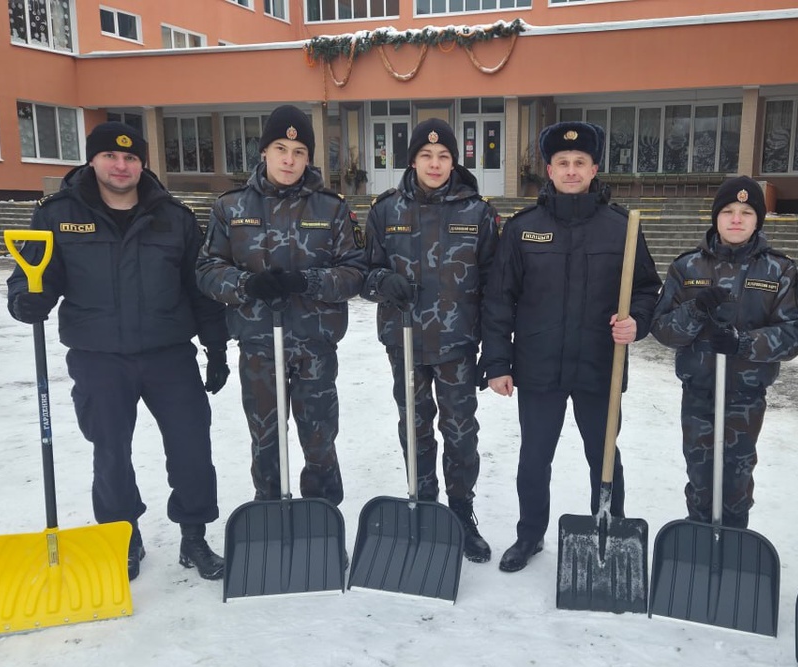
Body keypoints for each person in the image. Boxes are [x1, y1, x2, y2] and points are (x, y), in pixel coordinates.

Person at [6, 121, 229, 582]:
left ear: (143, 163)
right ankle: (122, 536)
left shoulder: (175, 217)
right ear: (93, 160)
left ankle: (194, 535)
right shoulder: (57, 214)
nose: (121, 165)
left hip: (169, 355)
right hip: (98, 357)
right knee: (110, 452)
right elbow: (31, 274)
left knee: (191, 447)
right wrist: (25, 300)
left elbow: (200, 289)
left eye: (130, 158)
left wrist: (216, 347)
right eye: (110, 156)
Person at [479, 121, 662, 573]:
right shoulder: (524, 229)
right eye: (563, 162)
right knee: (534, 457)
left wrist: (636, 322)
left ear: (595, 168)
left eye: (581, 162)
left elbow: (646, 290)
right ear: (550, 169)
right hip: (538, 365)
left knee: (604, 455)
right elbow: (499, 299)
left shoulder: (622, 227)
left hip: (600, 365)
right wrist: (497, 362)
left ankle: (609, 530)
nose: (572, 170)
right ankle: (529, 534)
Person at [197, 104, 366, 511]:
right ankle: (269, 513)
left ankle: (322, 514)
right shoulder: (231, 208)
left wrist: (308, 281)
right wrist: (247, 284)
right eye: (280, 149)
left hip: (314, 347)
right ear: (264, 152)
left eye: (299, 151)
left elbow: (355, 272)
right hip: (258, 347)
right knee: (265, 439)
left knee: (320, 438)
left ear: (308, 158)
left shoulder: (331, 208)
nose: (289, 159)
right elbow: (207, 270)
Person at [361, 119, 500, 563]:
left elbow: (496, 284)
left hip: (457, 343)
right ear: (412, 161)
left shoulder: (478, 213)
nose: (435, 164)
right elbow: (362, 271)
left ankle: (460, 511)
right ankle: (422, 504)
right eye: (426, 155)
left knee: (460, 432)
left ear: (454, 161)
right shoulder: (386, 210)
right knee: (414, 428)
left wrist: (494, 347)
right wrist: (381, 281)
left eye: (443, 156)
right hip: (404, 342)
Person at [650, 176, 798, 528]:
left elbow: (796, 333)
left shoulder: (779, 270)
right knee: (700, 476)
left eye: (746, 212)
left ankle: (734, 540)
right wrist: (695, 310)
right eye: (727, 211)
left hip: (745, 396)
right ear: (716, 217)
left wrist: (744, 343)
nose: (736, 219)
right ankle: (699, 538)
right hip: (699, 392)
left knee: (737, 479)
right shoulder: (686, 267)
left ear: (758, 220)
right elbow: (663, 329)